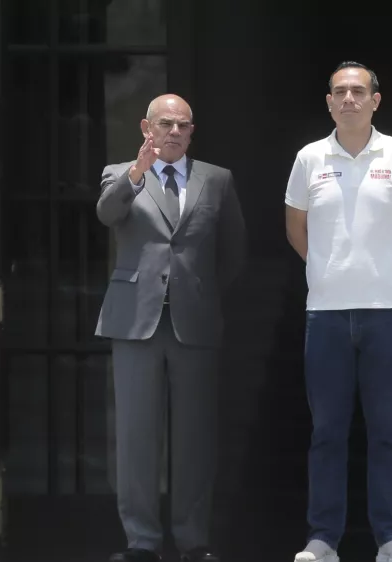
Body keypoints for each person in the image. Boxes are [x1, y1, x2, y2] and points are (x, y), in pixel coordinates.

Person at [284, 61, 392, 562]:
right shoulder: (309, 158)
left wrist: (389, 267)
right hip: (325, 314)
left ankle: (391, 538)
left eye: (358, 91)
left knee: (388, 430)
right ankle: (323, 538)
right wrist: (332, 270)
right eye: (340, 91)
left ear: (375, 99)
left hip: (386, 312)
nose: (349, 98)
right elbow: (296, 231)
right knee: (326, 430)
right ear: (328, 101)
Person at [95, 93, 246, 562]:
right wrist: (136, 173)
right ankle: (141, 541)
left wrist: (198, 291)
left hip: (194, 321)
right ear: (147, 127)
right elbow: (107, 213)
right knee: (137, 436)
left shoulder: (216, 180)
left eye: (183, 125)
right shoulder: (121, 173)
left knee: (195, 438)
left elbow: (233, 252)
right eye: (166, 123)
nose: (175, 132)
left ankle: (191, 539)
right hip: (135, 320)